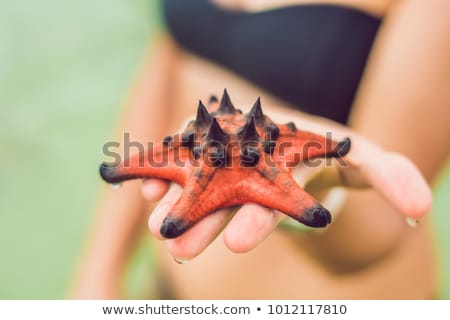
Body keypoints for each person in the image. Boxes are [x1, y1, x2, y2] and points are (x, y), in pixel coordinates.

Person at [72, 0, 450, 299]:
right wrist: (98, 273)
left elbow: (381, 228)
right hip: (168, 293)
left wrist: (318, 190)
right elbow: (166, 71)